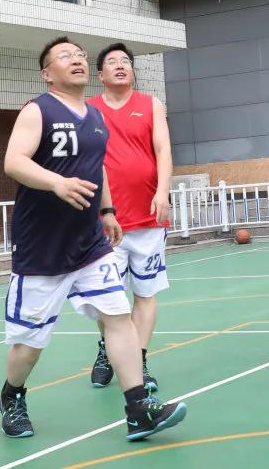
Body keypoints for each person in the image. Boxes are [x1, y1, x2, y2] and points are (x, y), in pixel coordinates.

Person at [0, 36, 186, 443]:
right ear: (47, 74)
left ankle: (139, 409)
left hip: (89, 245)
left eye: (80, 54)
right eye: (65, 56)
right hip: (42, 248)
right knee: (30, 344)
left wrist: (108, 210)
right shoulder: (38, 110)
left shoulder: (95, 118)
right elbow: (13, 161)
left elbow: (97, 169)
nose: (77, 59)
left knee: (118, 317)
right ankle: (11, 395)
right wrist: (56, 182)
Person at [86, 43, 173, 394]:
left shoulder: (151, 105)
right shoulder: (88, 109)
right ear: (100, 74)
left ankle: (138, 359)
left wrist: (163, 191)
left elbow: (163, 149)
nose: (120, 65)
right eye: (112, 62)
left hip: (148, 217)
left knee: (145, 293)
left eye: (126, 61)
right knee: (108, 297)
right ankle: (108, 348)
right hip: (105, 222)